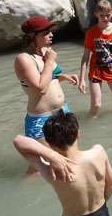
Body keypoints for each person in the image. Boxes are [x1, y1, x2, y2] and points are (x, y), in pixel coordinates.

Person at [13, 110, 112, 216]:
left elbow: (18, 141)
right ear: (78, 134)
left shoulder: (54, 172)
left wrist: (50, 155)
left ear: (49, 143)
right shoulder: (98, 152)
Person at [14, 15, 78, 174]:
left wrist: (63, 77)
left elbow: (49, 78)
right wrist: (49, 61)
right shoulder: (24, 59)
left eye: (50, 31)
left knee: (69, 157)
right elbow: (40, 88)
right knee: (41, 166)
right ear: (31, 36)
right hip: (41, 118)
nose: (51, 35)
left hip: (62, 111)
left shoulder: (45, 52)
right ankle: (25, 194)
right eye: (45, 33)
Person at [78, 0, 112, 118]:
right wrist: (81, 79)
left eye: (108, 15)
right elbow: (85, 57)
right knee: (96, 105)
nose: (105, 18)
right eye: (102, 15)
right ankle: (88, 124)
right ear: (96, 14)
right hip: (95, 72)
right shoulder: (91, 32)